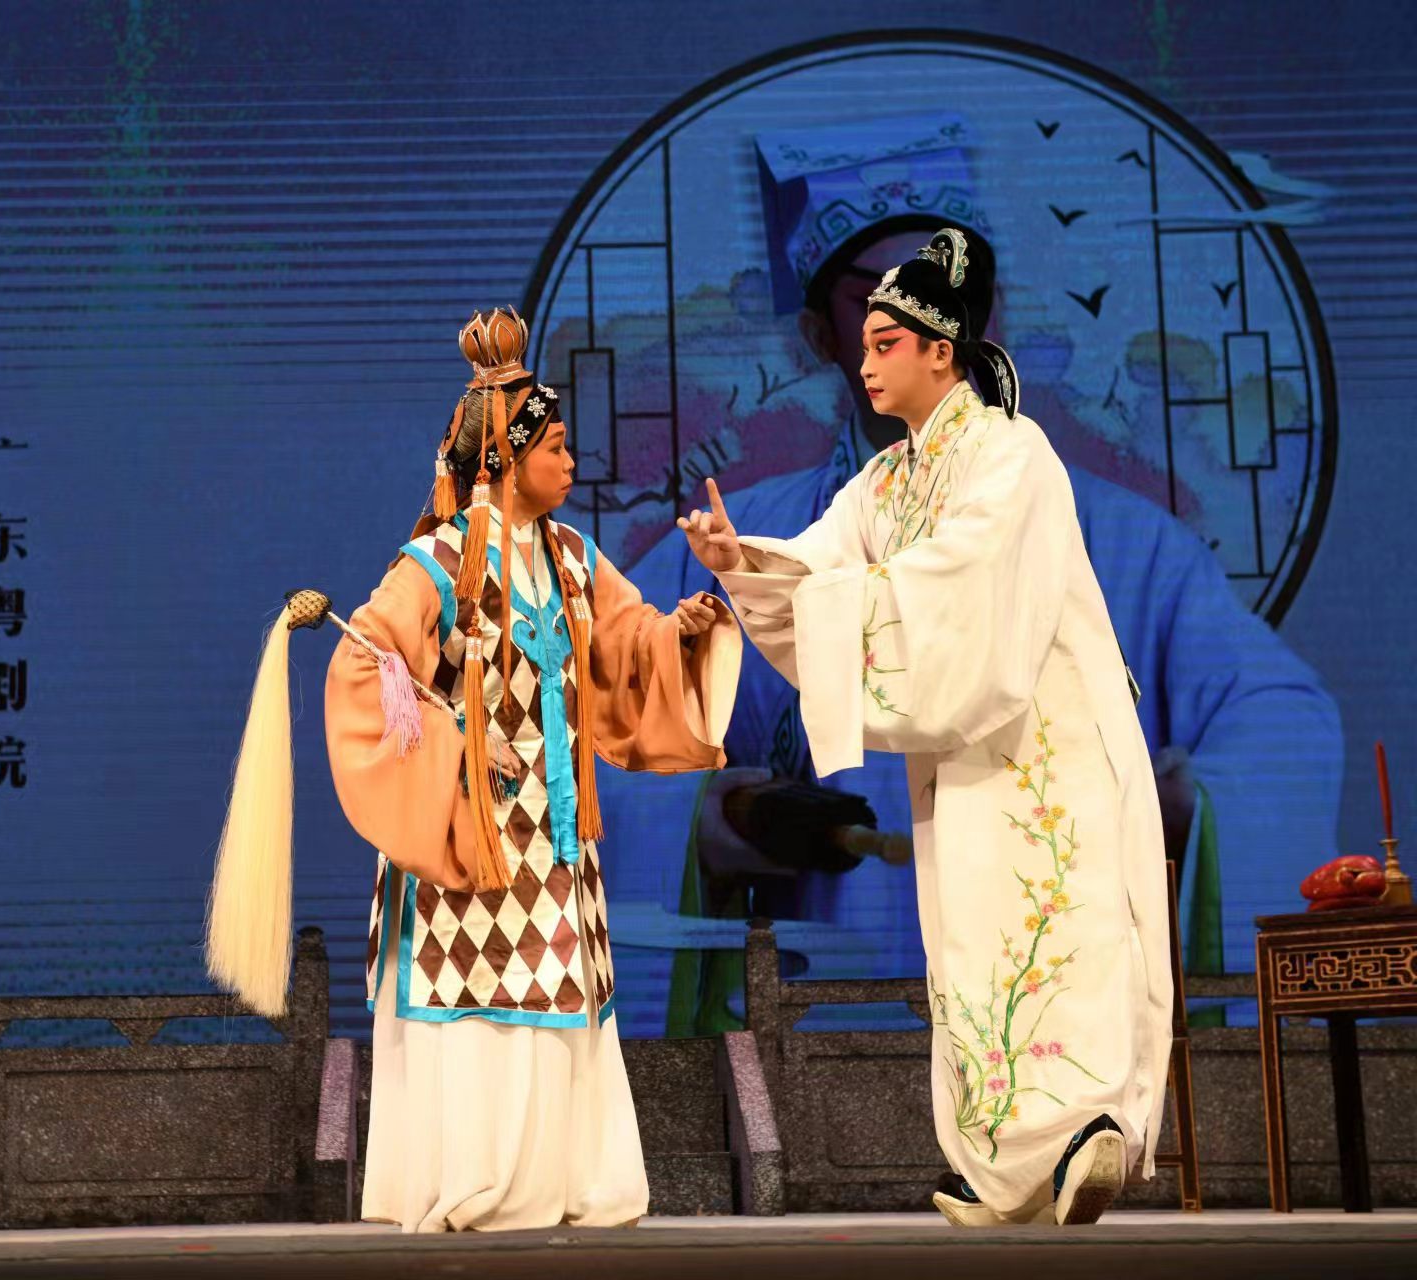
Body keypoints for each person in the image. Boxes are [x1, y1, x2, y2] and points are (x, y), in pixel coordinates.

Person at [598, 119, 1341, 1038]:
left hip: (1055, 1015)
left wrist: (1173, 799)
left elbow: (1283, 725)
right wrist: (714, 818)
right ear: (820, 337)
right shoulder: (740, 547)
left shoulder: (1129, 548)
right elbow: (594, 730)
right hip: (815, 1019)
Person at [206, 307, 741, 1232]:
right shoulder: (438, 561)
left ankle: (567, 1183)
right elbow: (369, 667)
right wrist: (452, 740)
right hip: (474, 832)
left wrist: (679, 635)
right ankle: (478, 1184)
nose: (571, 462)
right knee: (479, 999)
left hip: (556, 835)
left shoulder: (572, 557)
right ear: (505, 456)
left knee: (559, 988)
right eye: (556, 447)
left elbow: (625, 644)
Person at [683, 230, 1169, 1226]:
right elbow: (819, 563)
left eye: (885, 343)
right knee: (978, 943)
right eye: (862, 342)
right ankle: (1010, 1169)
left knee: (1059, 920)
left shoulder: (1011, 455)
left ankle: (1088, 1130)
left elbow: (961, 580)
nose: (865, 363)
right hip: (964, 750)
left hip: (1049, 738)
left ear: (941, 351)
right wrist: (741, 558)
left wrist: (842, 594)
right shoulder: (888, 482)